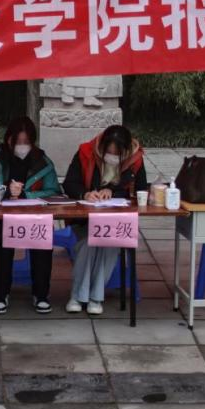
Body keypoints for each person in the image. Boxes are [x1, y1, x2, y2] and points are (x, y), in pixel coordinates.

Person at [62, 124, 147, 315]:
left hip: (116, 221)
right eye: (109, 152)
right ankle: (77, 295)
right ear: (102, 147)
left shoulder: (135, 160)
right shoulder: (85, 152)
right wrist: (85, 194)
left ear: (125, 151)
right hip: (86, 220)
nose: (112, 157)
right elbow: (69, 183)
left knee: (109, 245)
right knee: (88, 243)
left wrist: (114, 192)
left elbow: (141, 190)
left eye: (117, 154)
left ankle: (95, 297)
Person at [0, 116, 61, 314]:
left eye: (26, 142)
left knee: (42, 240)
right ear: (9, 139)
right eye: (18, 141)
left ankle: (41, 294)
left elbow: (53, 191)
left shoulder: (42, 161)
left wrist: (26, 194)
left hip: (34, 215)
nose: (22, 146)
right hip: (2, 216)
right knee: (0, 242)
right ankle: (0, 294)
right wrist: (5, 189)